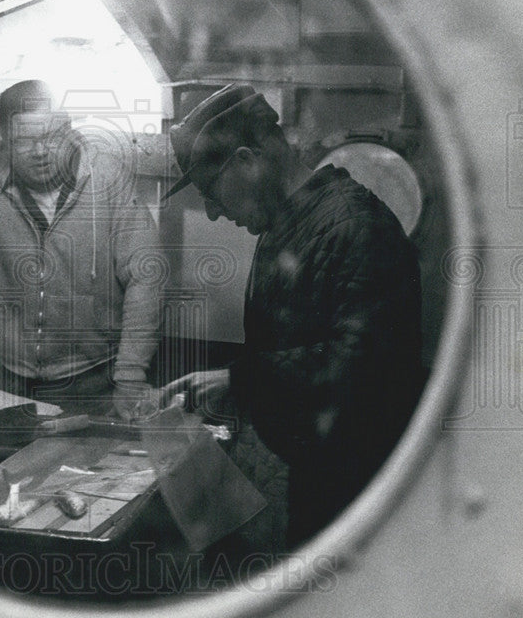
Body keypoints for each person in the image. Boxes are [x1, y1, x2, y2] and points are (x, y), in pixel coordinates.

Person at [160, 83, 422, 547]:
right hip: (316, 474)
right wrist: (239, 390)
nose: (215, 213)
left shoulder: (357, 227)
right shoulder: (289, 225)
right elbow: (288, 345)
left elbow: (368, 367)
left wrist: (240, 381)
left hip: (354, 491)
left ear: (247, 162)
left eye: (211, 193)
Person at [0, 80, 161, 418]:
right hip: (10, 382)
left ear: (67, 128)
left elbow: (145, 280)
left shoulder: (108, 177)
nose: (40, 152)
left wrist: (130, 377)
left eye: (50, 136)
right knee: (1, 471)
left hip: (98, 380)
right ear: (4, 138)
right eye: (24, 141)